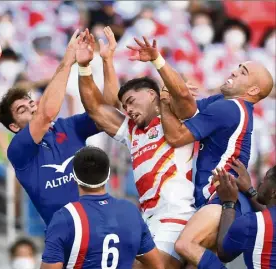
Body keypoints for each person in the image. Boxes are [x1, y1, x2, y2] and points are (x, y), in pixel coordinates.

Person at [124, 35, 274, 266]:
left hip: (223, 199)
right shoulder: (224, 103)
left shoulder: (229, 108)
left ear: (253, 89)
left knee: (184, 246)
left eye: (243, 72)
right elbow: (184, 105)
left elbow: (176, 136)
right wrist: (167, 79)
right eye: (237, 68)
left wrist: (163, 97)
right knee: (192, 263)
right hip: (221, 200)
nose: (234, 72)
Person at [75, 27, 196, 269]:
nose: (127, 109)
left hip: (176, 216)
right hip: (148, 219)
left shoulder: (176, 116)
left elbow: (182, 95)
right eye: (125, 105)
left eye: (131, 102)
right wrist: (85, 67)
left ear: (152, 94)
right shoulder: (132, 130)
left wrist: (157, 60)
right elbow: (96, 110)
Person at [0, 30, 102, 225]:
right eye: (22, 110)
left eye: (31, 103)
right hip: (66, 235)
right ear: (13, 126)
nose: (32, 108)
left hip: (99, 221)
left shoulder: (67, 126)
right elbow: (46, 114)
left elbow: (106, 110)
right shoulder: (18, 149)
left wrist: (89, 66)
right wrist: (68, 62)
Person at [41, 146, 164, 269]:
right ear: (108, 175)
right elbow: (158, 265)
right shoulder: (131, 211)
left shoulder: (64, 217)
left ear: (74, 178)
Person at [196, 164, 276, 269]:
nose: (261, 182)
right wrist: (250, 190)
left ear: (274, 192)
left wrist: (228, 203)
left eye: (265, 179)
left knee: (186, 246)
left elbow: (224, 253)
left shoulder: (251, 223)